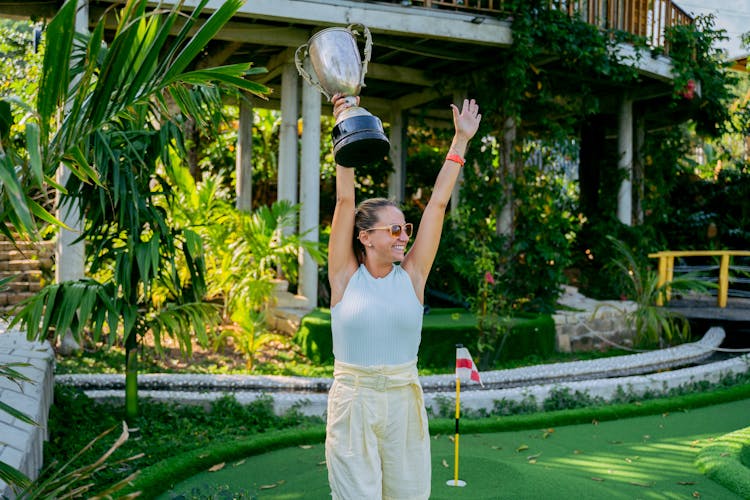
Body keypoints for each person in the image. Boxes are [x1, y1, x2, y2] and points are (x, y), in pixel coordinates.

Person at [325, 93, 481, 499]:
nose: (403, 237)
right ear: (365, 237)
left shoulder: (412, 276)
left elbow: (438, 203)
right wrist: (344, 118)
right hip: (352, 402)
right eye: (393, 230)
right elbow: (345, 199)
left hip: (403, 402)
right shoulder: (344, 276)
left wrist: (460, 141)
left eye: (405, 229)